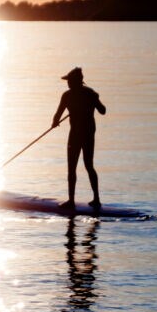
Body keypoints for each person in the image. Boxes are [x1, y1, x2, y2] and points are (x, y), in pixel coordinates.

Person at [52, 67, 106, 210]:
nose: (68, 83)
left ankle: (74, 201)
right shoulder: (87, 94)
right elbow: (103, 111)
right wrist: (94, 100)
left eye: (69, 81)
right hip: (87, 133)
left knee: (78, 167)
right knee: (87, 166)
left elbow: (102, 111)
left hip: (78, 134)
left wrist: (55, 122)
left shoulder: (74, 95)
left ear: (76, 82)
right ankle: (95, 200)